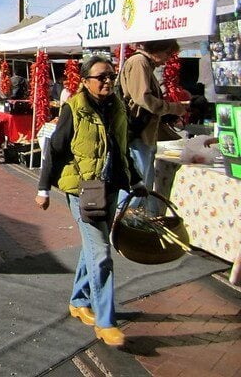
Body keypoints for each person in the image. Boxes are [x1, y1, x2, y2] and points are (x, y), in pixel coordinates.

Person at [36, 56, 147, 347]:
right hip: (84, 190)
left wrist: (134, 178)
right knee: (102, 254)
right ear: (85, 81)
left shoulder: (118, 107)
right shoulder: (74, 108)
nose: (108, 81)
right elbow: (55, 149)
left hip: (110, 187)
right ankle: (106, 321)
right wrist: (43, 188)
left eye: (111, 75)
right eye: (101, 77)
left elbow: (121, 149)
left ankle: (77, 300)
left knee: (93, 247)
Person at [117, 39, 187, 212]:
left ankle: (132, 224)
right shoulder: (139, 62)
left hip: (145, 135)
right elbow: (143, 99)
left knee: (143, 185)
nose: (167, 60)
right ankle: (122, 225)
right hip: (137, 135)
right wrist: (173, 108)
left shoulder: (145, 64)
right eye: (167, 54)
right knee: (136, 184)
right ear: (157, 49)